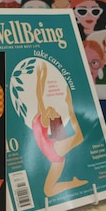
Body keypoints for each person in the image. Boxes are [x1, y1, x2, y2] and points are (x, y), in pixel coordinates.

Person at [32, 62, 87, 197]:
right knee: (48, 191)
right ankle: (74, 183)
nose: (52, 107)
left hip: (54, 149)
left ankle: (70, 107)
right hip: (53, 157)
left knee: (79, 136)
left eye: (54, 110)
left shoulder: (44, 118)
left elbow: (39, 95)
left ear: (51, 116)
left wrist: (40, 75)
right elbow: (40, 93)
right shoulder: (40, 114)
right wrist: (42, 77)